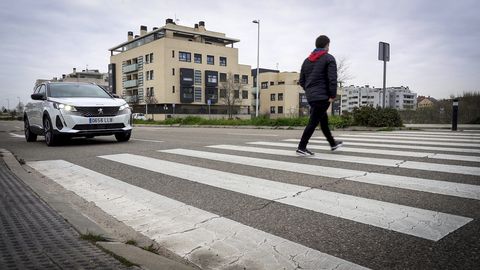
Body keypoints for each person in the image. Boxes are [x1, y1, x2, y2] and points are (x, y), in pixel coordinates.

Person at [297, 35, 343, 155]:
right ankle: (301, 147)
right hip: (323, 97)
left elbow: (301, 81)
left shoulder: (307, 61)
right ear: (327, 45)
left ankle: (333, 143)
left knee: (323, 121)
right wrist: (332, 95)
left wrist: (309, 90)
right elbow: (332, 79)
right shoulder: (329, 58)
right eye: (329, 45)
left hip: (311, 96)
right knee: (313, 122)